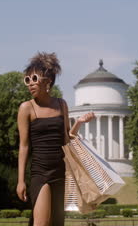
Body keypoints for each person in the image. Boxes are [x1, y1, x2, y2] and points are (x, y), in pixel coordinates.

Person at [17, 52, 95, 226]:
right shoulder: (26, 108)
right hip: (40, 172)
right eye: (27, 80)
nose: (30, 84)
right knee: (41, 223)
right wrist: (21, 180)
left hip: (60, 171)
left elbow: (67, 139)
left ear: (48, 80)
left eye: (34, 78)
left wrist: (80, 122)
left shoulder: (61, 104)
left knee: (56, 223)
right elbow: (24, 146)